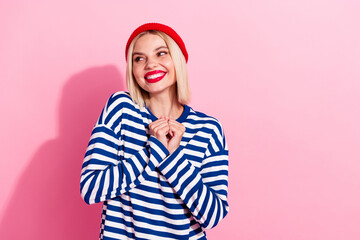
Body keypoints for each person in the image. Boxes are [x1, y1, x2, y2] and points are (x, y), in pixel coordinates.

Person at [80, 23, 229, 240]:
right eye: (139, 58)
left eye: (161, 53)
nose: (150, 64)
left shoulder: (208, 129)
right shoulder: (121, 108)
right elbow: (91, 189)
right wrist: (155, 149)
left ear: (177, 59)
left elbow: (212, 215)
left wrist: (174, 157)